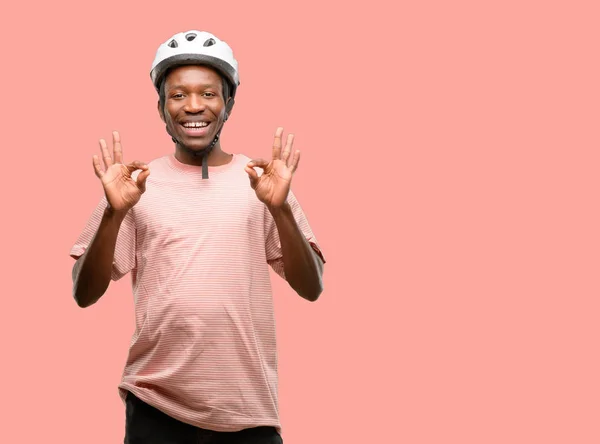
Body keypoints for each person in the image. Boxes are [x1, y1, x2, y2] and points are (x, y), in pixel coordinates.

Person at [69, 30, 326, 444]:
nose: (193, 106)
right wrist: (115, 215)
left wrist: (279, 209)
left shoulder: (263, 183)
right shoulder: (134, 185)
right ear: (160, 108)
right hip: (156, 407)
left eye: (208, 94)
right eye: (178, 95)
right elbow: (84, 293)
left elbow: (312, 287)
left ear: (228, 105)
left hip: (247, 412)